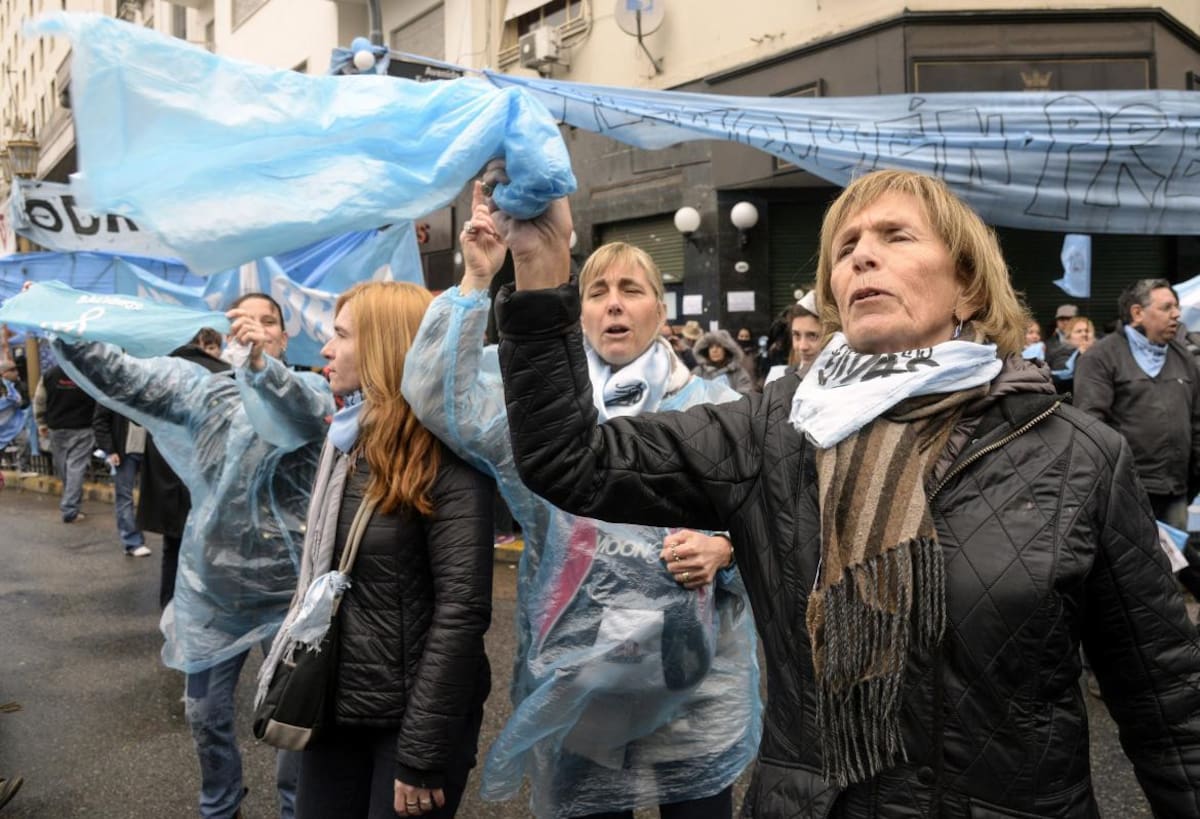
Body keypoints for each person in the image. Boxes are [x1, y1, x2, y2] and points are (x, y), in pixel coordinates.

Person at [489, 166, 1200, 816]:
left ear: (970, 284)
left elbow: (1166, 698)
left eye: (895, 235)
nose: (861, 254)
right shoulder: (776, 431)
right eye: (846, 244)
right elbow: (571, 458)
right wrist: (544, 266)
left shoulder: (1076, 454)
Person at [402, 183, 760, 819]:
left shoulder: (717, 408)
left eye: (632, 290)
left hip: (696, 689)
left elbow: (774, 520)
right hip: (583, 685)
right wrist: (477, 280)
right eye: (597, 291)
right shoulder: (539, 409)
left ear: (660, 310)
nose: (614, 305)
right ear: (578, 311)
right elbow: (438, 396)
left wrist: (724, 551)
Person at [51, 293, 332, 819]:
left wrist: (260, 367)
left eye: (267, 322)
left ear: (283, 337)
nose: (256, 328)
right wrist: (61, 321)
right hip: (214, 594)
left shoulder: (309, 387)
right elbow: (123, 377)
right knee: (204, 714)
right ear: (226, 333)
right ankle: (220, 805)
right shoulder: (200, 394)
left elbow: (299, 414)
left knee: (294, 719)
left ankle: (297, 808)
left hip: (290, 597)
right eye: (244, 320)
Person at [259, 281, 494, 819]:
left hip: (409, 728)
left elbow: (462, 613)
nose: (325, 349)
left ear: (386, 346)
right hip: (338, 711)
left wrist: (421, 754)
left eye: (341, 335)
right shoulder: (348, 442)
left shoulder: (447, 458)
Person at [1073, 279, 1200, 593]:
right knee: (1127, 577)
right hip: (1124, 493)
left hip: (1175, 490)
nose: (1176, 315)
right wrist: (1114, 485)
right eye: (1166, 307)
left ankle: (1169, 636)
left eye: (1177, 308)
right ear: (1137, 313)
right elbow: (1091, 425)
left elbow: (1197, 422)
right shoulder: (1101, 357)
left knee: (1169, 571)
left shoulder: (1184, 358)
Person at [137, 331, 231, 607]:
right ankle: (200, 606)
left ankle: (169, 603)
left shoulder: (157, 373)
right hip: (207, 478)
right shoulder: (224, 373)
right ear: (203, 344)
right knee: (207, 551)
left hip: (167, 475)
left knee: (172, 547)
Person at [35, 361, 97, 523]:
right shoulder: (85, 372)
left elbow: (40, 400)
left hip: (57, 427)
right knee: (75, 468)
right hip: (82, 426)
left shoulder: (49, 374)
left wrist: (41, 422)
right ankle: (70, 508)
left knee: (63, 466)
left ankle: (71, 504)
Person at [93, 402, 150, 557]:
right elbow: (100, 422)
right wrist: (110, 450)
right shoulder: (112, 391)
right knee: (125, 496)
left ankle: (135, 538)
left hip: (147, 449)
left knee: (147, 496)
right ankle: (132, 542)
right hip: (124, 451)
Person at [691, 328, 755, 394]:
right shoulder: (698, 372)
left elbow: (745, 397)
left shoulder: (739, 373)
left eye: (718, 346)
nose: (714, 350)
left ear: (726, 350)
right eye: (711, 347)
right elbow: (689, 394)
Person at [0, 358, 32, 474]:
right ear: (3, 373)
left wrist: (19, 402)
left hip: (15, 424)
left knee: (25, 442)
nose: (16, 372)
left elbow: (26, 402)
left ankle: (23, 468)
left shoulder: (20, 386)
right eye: (12, 370)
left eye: (16, 369)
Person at [1049, 315, 1095, 395]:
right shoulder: (1060, 354)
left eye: (1087, 331)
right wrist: (1080, 354)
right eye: (1079, 331)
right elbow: (1062, 378)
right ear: (1068, 337)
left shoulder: (1101, 352)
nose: (1084, 334)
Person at [1044, 302, 1078, 369]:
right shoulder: (1047, 343)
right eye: (1062, 318)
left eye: (1069, 318)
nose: (1065, 322)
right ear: (1057, 321)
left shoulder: (1088, 339)